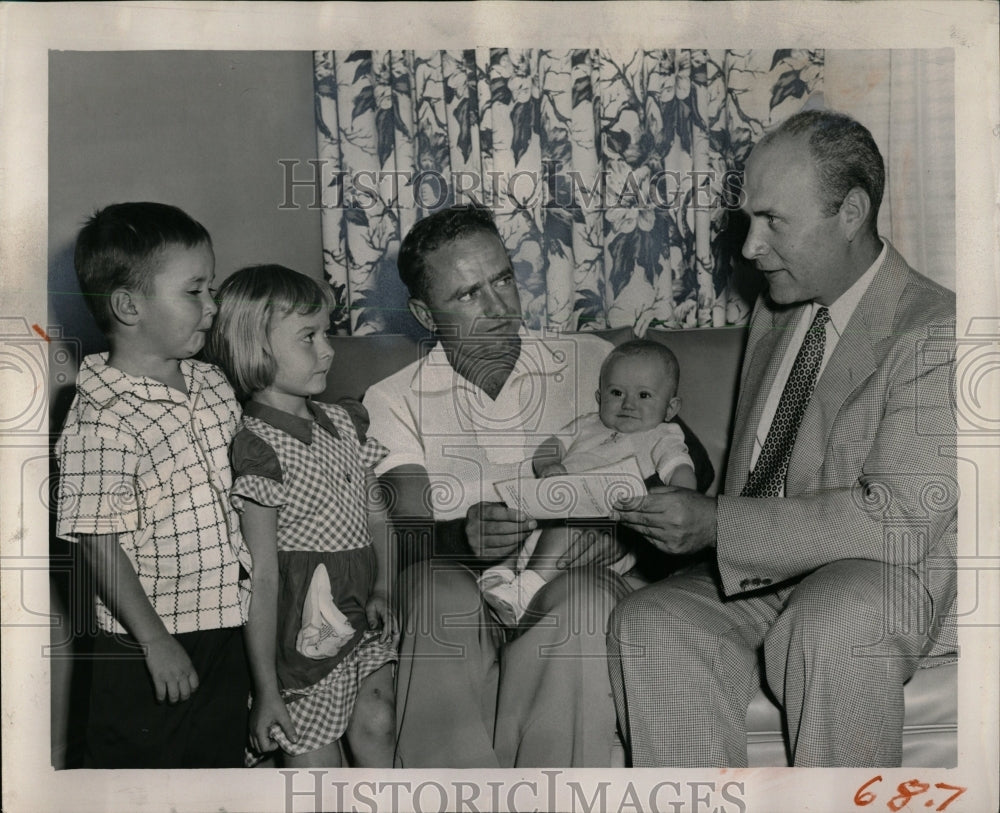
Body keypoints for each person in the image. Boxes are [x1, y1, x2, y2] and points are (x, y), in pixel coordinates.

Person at [607, 109, 957, 767]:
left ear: (851, 213)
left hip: (880, 578)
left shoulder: (938, 331)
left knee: (834, 621)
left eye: (774, 221)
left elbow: (899, 521)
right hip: (767, 573)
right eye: (747, 219)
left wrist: (717, 523)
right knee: (652, 619)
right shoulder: (775, 307)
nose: (748, 248)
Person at [364, 205, 713, 767]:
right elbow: (408, 532)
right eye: (469, 295)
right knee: (435, 594)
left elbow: (688, 466)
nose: (501, 308)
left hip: (572, 577)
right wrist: (463, 540)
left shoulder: (591, 361)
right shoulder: (393, 398)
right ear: (425, 314)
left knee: (584, 604)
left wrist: (627, 530)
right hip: (462, 581)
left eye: (503, 279)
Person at [54, 202, 251, 768]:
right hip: (148, 636)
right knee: (142, 770)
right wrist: (154, 641)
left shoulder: (212, 383)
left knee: (217, 763)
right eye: (195, 291)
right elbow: (97, 539)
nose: (212, 306)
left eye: (210, 287)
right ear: (128, 306)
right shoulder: (102, 415)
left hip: (224, 615)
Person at [207, 265, 397, 768]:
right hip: (301, 634)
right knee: (316, 768)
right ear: (256, 350)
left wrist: (384, 589)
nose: (329, 349)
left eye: (327, 332)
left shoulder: (345, 422)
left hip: (362, 614)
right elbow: (263, 576)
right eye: (308, 337)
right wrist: (266, 689)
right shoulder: (257, 448)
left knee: (378, 720)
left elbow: (379, 520)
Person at [479, 340, 697, 626]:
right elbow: (549, 446)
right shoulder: (586, 423)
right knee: (515, 512)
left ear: (670, 408)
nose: (628, 404)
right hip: (554, 509)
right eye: (616, 392)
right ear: (599, 396)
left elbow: (679, 467)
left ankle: (526, 591)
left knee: (572, 523)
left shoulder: (662, 434)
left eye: (644, 395)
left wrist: (683, 497)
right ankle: (503, 575)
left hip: (601, 534)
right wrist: (549, 465)